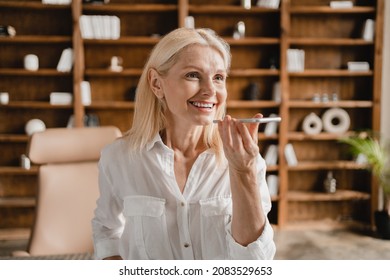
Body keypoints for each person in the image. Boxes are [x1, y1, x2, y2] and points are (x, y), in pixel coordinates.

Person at [92, 27, 276, 260]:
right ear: (157, 84)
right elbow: (107, 232)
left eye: (219, 78)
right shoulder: (118, 157)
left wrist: (243, 172)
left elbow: (255, 262)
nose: (211, 91)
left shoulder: (245, 160)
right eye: (193, 75)